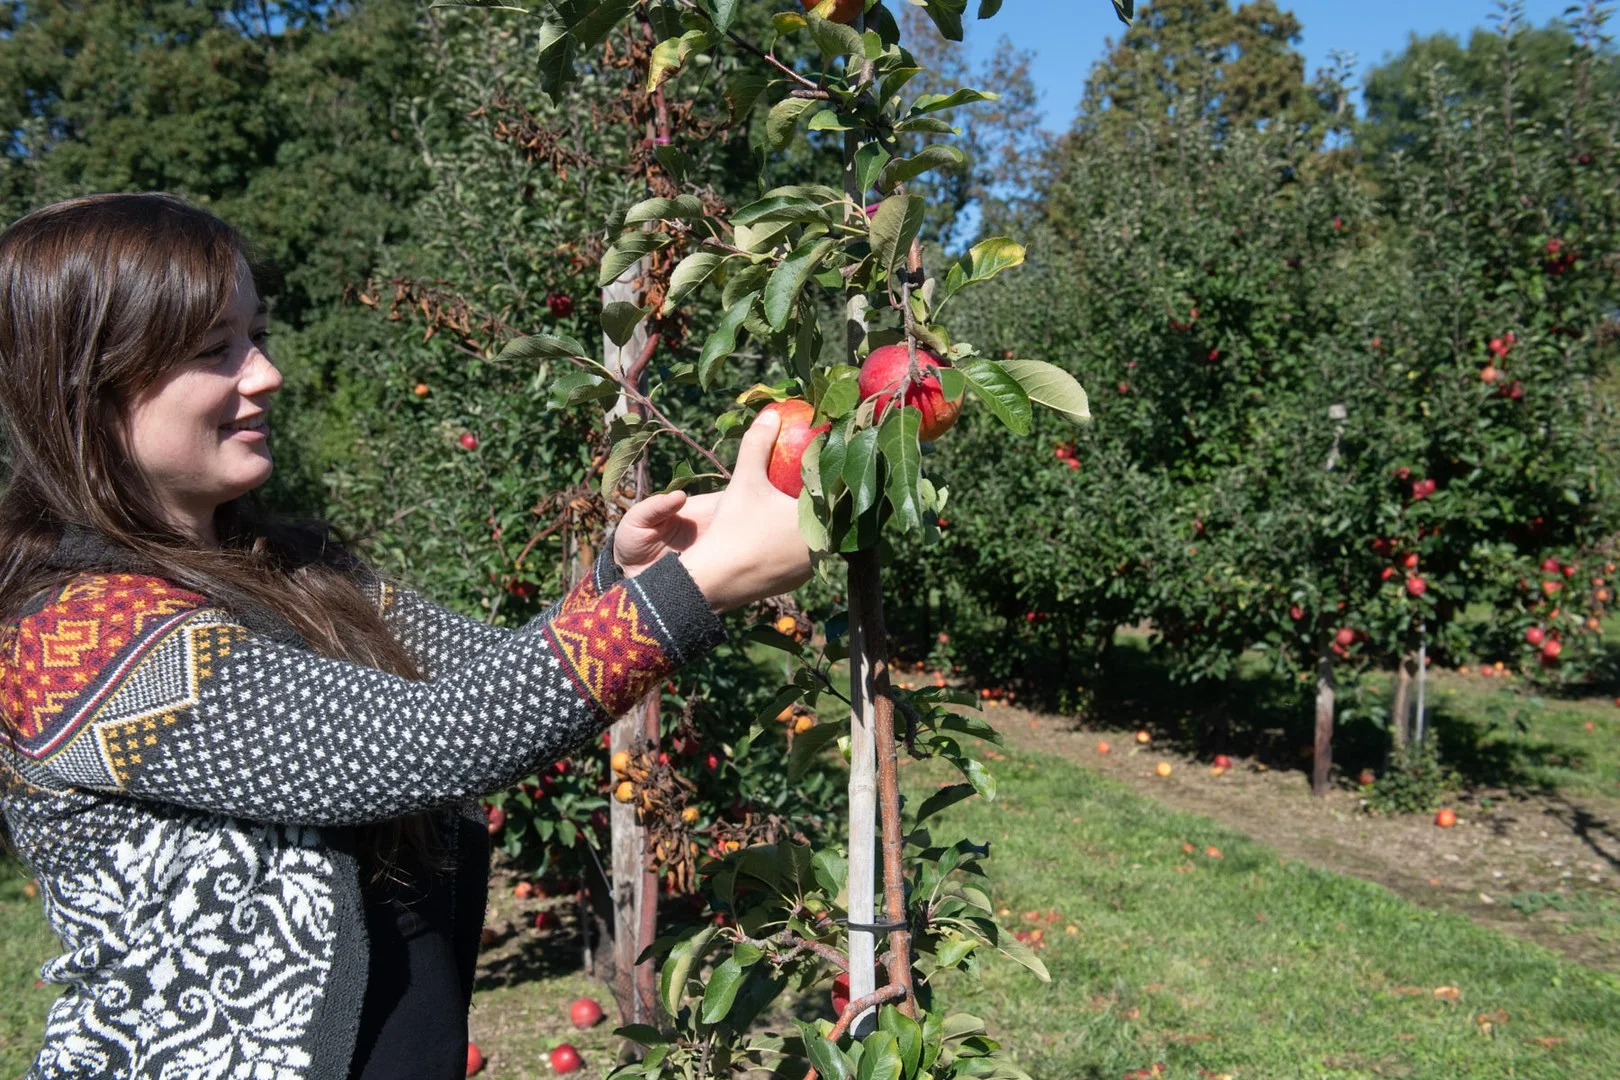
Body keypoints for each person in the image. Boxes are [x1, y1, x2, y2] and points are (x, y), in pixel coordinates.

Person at [0, 193, 812, 1080]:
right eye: (212, 351)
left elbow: (482, 683)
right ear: (87, 386)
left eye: (256, 334)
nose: (264, 373)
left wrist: (635, 581)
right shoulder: (61, 640)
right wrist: (698, 589)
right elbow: (418, 743)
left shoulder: (299, 568)